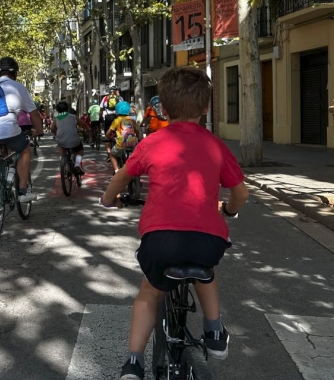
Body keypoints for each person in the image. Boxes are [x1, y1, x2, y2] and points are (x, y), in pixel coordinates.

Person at [98, 66, 249, 380]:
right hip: (207, 242)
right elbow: (240, 194)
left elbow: (122, 176)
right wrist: (230, 211)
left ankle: (133, 363)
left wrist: (108, 199)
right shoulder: (215, 145)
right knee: (205, 275)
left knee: (149, 293)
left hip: (161, 239)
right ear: (206, 107)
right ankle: (214, 333)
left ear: (163, 109)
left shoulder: (152, 143)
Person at [0, 57, 43, 202]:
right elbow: (34, 114)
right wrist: (38, 130)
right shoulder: (18, 87)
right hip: (7, 129)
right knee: (25, 150)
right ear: (16, 73)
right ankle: (23, 193)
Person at [50, 101, 90, 175]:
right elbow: (83, 125)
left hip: (61, 141)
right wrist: (88, 130)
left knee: (61, 147)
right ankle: (77, 164)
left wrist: (56, 132)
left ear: (57, 110)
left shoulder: (56, 119)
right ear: (68, 109)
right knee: (79, 150)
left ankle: (63, 163)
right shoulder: (73, 117)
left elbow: (52, 130)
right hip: (74, 141)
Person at [105, 100, 142, 174]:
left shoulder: (116, 120)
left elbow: (108, 133)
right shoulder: (131, 119)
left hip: (121, 143)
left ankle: (117, 171)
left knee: (112, 155)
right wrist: (138, 138)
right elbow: (137, 131)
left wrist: (107, 137)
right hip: (133, 142)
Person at [101, 86, 123, 160]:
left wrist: (100, 117)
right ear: (116, 91)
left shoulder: (105, 98)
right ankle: (120, 151)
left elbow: (101, 109)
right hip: (117, 117)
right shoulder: (120, 98)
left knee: (107, 137)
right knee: (119, 133)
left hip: (107, 117)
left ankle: (109, 154)